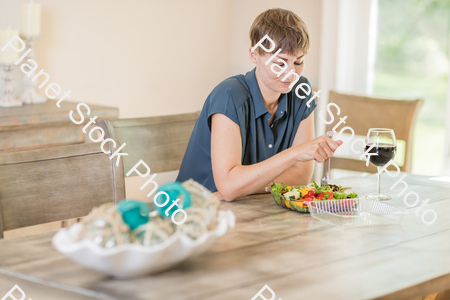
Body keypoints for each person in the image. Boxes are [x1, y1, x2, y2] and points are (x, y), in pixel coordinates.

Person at [176, 8, 342, 201]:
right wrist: (295, 153)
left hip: (250, 208)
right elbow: (229, 186)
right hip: (195, 213)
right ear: (254, 55)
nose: (291, 74)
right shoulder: (228, 95)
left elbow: (302, 176)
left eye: (298, 62)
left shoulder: (301, 91)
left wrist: (243, 187)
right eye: (280, 63)